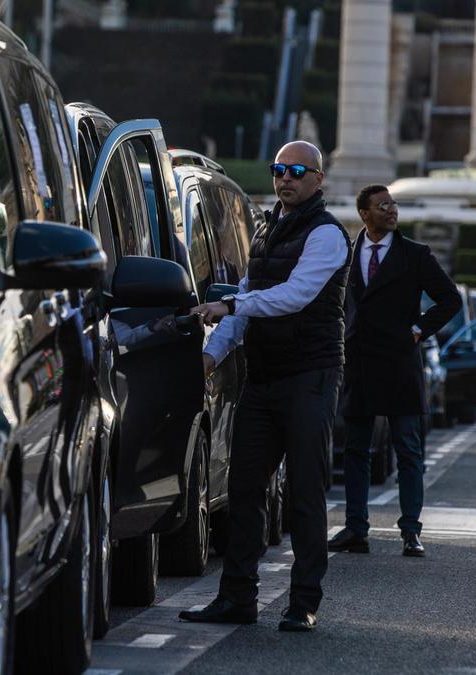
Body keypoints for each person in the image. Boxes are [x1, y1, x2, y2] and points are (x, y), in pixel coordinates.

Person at [177, 141, 349, 632]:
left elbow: (292, 298)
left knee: (304, 493)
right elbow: (249, 298)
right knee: (243, 487)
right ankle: (237, 598)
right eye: (278, 170)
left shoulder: (328, 235)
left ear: (318, 180)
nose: (285, 178)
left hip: (310, 378)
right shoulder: (267, 228)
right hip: (265, 377)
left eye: (297, 171)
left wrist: (231, 308)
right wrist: (211, 356)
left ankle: (304, 602)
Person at [327, 184, 461, 558]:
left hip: (400, 362)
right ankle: (356, 528)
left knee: (408, 450)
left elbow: (451, 299)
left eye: (393, 204)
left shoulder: (415, 254)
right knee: (355, 449)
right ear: (364, 214)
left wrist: (418, 329)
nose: (391, 210)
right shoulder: (345, 254)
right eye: (382, 205)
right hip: (358, 362)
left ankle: (411, 530)